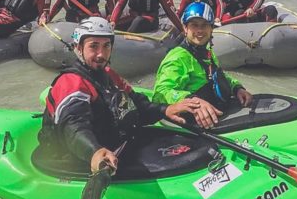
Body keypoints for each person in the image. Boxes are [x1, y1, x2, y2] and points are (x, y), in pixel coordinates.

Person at [38, 17, 221, 173]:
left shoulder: (109, 74)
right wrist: (94, 152)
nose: (101, 54)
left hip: (119, 144)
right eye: (93, 46)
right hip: (78, 159)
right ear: (78, 47)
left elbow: (138, 105)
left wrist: (166, 110)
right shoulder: (71, 82)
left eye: (106, 46)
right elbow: (74, 127)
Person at [153, 3, 253, 113]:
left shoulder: (207, 52)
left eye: (204, 25)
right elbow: (161, 93)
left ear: (211, 29)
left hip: (217, 109)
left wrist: (237, 88)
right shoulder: (178, 58)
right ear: (185, 28)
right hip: (193, 120)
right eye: (194, 25)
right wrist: (192, 101)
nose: (199, 30)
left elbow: (218, 76)